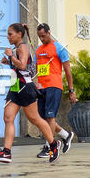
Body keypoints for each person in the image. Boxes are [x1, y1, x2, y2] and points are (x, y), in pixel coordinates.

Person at [0, 23, 60, 164]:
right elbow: (20, 66)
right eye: (8, 34)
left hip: (25, 87)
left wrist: (11, 57)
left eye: (10, 34)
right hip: (15, 87)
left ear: (19, 34)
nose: (8, 37)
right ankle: (6, 152)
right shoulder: (16, 49)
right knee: (8, 118)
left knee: (35, 119)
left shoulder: (23, 47)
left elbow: (22, 65)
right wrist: (8, 61)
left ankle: (53, 145)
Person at [35, 23, 75, 158]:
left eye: (43, 36)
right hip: (41, 87)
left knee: (50, 117)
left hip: (54, 86)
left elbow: (68, 71)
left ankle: (49, 147)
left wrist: (71, 90)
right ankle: (65, 135)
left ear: (49, 32)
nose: (42, 39)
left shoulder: (59, 48)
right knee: (43, 119)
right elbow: (36, 69)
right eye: (39, 37)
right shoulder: (38, 49)